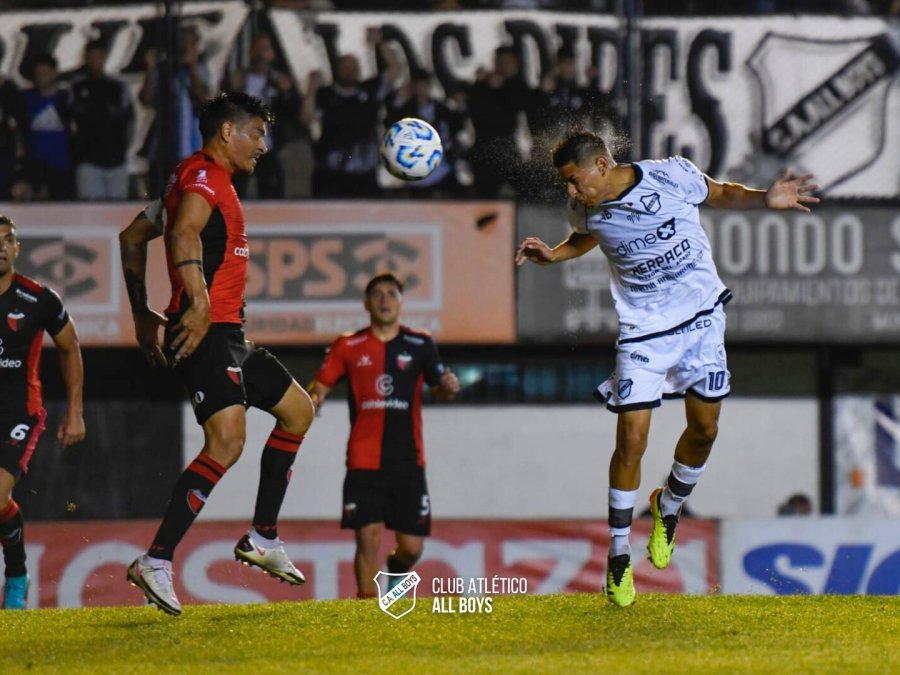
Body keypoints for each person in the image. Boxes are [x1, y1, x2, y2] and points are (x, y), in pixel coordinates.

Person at [515, 131, 819, 607]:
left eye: (575, 181)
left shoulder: (668, 174)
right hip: (644, 330)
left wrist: (767, 198)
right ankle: (618, 556)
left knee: (705, 430)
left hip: (701, 319)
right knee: (631, 439)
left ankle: (668, 505)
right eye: (567, 185)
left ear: (599, 164)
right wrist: (554, 255)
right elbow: (585, 236)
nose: (571, 192)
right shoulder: (585, 208)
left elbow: (720, 193)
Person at [120, 92, 315, 616]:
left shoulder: (190, 177)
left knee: (298, 411)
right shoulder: (205, 175)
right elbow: (181, 232)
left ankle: (263, 538)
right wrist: (199, 301)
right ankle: (156, 560)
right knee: (226, 442)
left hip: (230, 334)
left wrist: (141, 312)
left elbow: (132, 236)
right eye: (257, 133)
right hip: (204, 332)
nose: (264, 146)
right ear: (227, 132)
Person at [307, 273, 460, 599]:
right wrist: (313, 402)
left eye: (392, 293)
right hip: (363, 459)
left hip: (408, 459)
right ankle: (367, 614)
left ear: (401, 302)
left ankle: (395, 573)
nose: (385, 299)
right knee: (367, 537)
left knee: (411, 547)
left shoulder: (421, 343)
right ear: (366, 304)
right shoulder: (348, 345)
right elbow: (319, 387)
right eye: (377, 294)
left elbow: (440, 388)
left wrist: (447, 388)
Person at [0, 215, 85, 609]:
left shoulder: (38, 299)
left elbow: (70, 347)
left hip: (20, 409)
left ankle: (16, 575)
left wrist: (75, 412)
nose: (1, 246)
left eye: (8, 239)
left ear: (17, 248)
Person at [70, 39, 134, 201]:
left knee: (117, 208)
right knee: (90, 209)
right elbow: (71, 121)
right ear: (86, 58)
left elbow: (129, 120)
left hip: (116, 159)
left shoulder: (118, 87)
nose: (95, 61)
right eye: (91, 56)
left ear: (105, 57)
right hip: (88, 160)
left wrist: (125, 147)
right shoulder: (77, 87)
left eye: (98, 56)